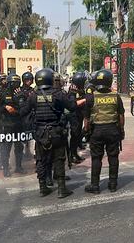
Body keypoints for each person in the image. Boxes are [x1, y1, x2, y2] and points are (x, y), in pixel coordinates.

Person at [20, 68, 85, 198]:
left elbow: (23, 112)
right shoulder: (58, 94)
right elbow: (71, 107)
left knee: (41, 160)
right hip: (56, 131)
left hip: (40, 133)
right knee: (59, 159)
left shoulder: (33, 95)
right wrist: (72, 95)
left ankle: (43, 187)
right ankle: (61, 189)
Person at [84, 69, 125, 194]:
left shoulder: (91, 98)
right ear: (109, 82)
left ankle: (95, 186)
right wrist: (121, 130)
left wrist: (87, 131)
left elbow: (86, 120)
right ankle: (113, 184)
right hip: (113, 130)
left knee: (96, 158)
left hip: (97, 131)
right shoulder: (116, 97)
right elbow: (121, 116)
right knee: (113, 157)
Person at [0, 74, 25, 177]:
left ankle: (19, 166)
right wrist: (5, 107)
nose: (16, 85)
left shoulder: (21, 93)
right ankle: (6, 168)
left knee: (19, 146)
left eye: (18, 83)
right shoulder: (3, 93)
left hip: (18, 123)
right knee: (6, 147)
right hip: (7, 124)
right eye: (14, 83)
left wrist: (17, 108)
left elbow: (24, 107)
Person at [67, 71, 87, 164]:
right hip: (74, 116)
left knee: (78, 135)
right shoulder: (73, 90)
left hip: (79, 115)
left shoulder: (81, 88)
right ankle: (71, 156)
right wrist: (86, 100)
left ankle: (75, 153)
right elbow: (73, 104)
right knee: (74, 135)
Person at [18, 71, 35, 159]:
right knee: (23, 136)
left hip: (32, 115)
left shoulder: (33, 90)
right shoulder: (20, 91)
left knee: (31, 136)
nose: (30, 81)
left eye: (31, 80)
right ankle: (22, 154)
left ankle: (29, 152)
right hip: (24, 116)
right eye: (28, 80)